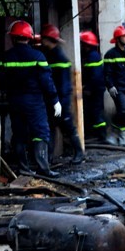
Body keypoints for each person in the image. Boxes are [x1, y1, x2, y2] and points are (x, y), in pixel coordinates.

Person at [0, 21, 61, 177]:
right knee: (40, 132)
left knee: (19, 134)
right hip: (34, 102)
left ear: (12, 38)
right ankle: (43, 169)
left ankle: (24, 169)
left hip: (14, 101)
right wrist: (55, 101)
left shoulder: (5, 57)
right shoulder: (38, 56)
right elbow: (47, 82)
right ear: (29, 37)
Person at [40, 24, 84, 164]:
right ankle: (49, 157)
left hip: (60, 101)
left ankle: (79, 153)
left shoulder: (60, 58)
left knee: (68, 127)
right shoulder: (50, 56)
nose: (42, 41)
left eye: (44, 39)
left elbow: (64, 85)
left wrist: (62, 104)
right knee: (50, 129)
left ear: (49, 39)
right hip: (52, 100)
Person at [80, 30, 107, 142]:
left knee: (96, 112)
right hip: (98, 88)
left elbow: (95, 76)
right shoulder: (94, 55)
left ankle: (101, 136)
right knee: (96, 111)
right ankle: (99, 135)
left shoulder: (92, 57)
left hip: (95, 90)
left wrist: (88, 88)